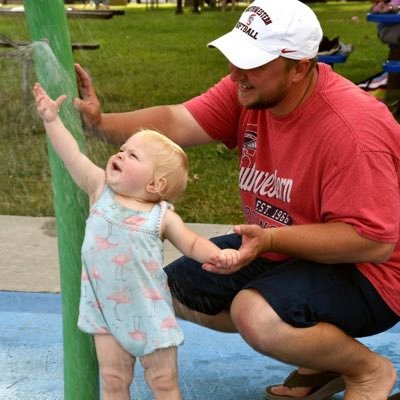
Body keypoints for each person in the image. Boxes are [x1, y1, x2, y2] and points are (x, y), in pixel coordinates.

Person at [72, 0, 400, 398]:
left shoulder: (353, 131)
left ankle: (368, 371)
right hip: (290, 246)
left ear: (299, 66)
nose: (235, 74)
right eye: (235, 58)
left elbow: (375, 242)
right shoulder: (252, 91)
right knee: (162, 289)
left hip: (373, 274)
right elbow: (177, 121)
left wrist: (273, 239)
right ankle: (320, 360)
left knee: (254, 313)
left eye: (253, 63)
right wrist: (99, 124)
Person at [33, 83, 239, 400]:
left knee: (163, 381)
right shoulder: (99, 187)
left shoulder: (162, 216)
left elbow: (192, 243)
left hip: (150, 311)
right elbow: (71, 154)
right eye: (122, 149)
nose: (120, 154)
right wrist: (51, 120)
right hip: (104, 308)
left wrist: (217, 254)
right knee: (114, 380)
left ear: (155, 184)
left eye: (133, 155)